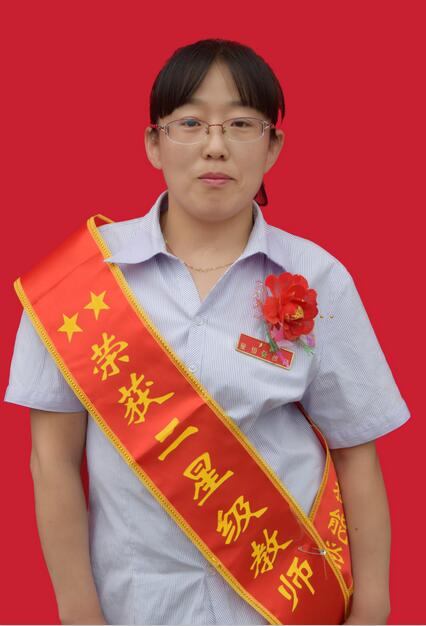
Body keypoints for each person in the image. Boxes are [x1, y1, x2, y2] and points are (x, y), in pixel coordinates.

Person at [4, 38, 410, 625]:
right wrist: (79, 614)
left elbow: (357, 454)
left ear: (273, 146)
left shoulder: (319, 277)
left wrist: (372, 608)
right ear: (154, 142)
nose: (215, 145)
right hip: (134, 607)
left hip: (286, 608)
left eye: (241, 124)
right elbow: (52, 461)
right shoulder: (79, 282)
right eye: (190, 123)